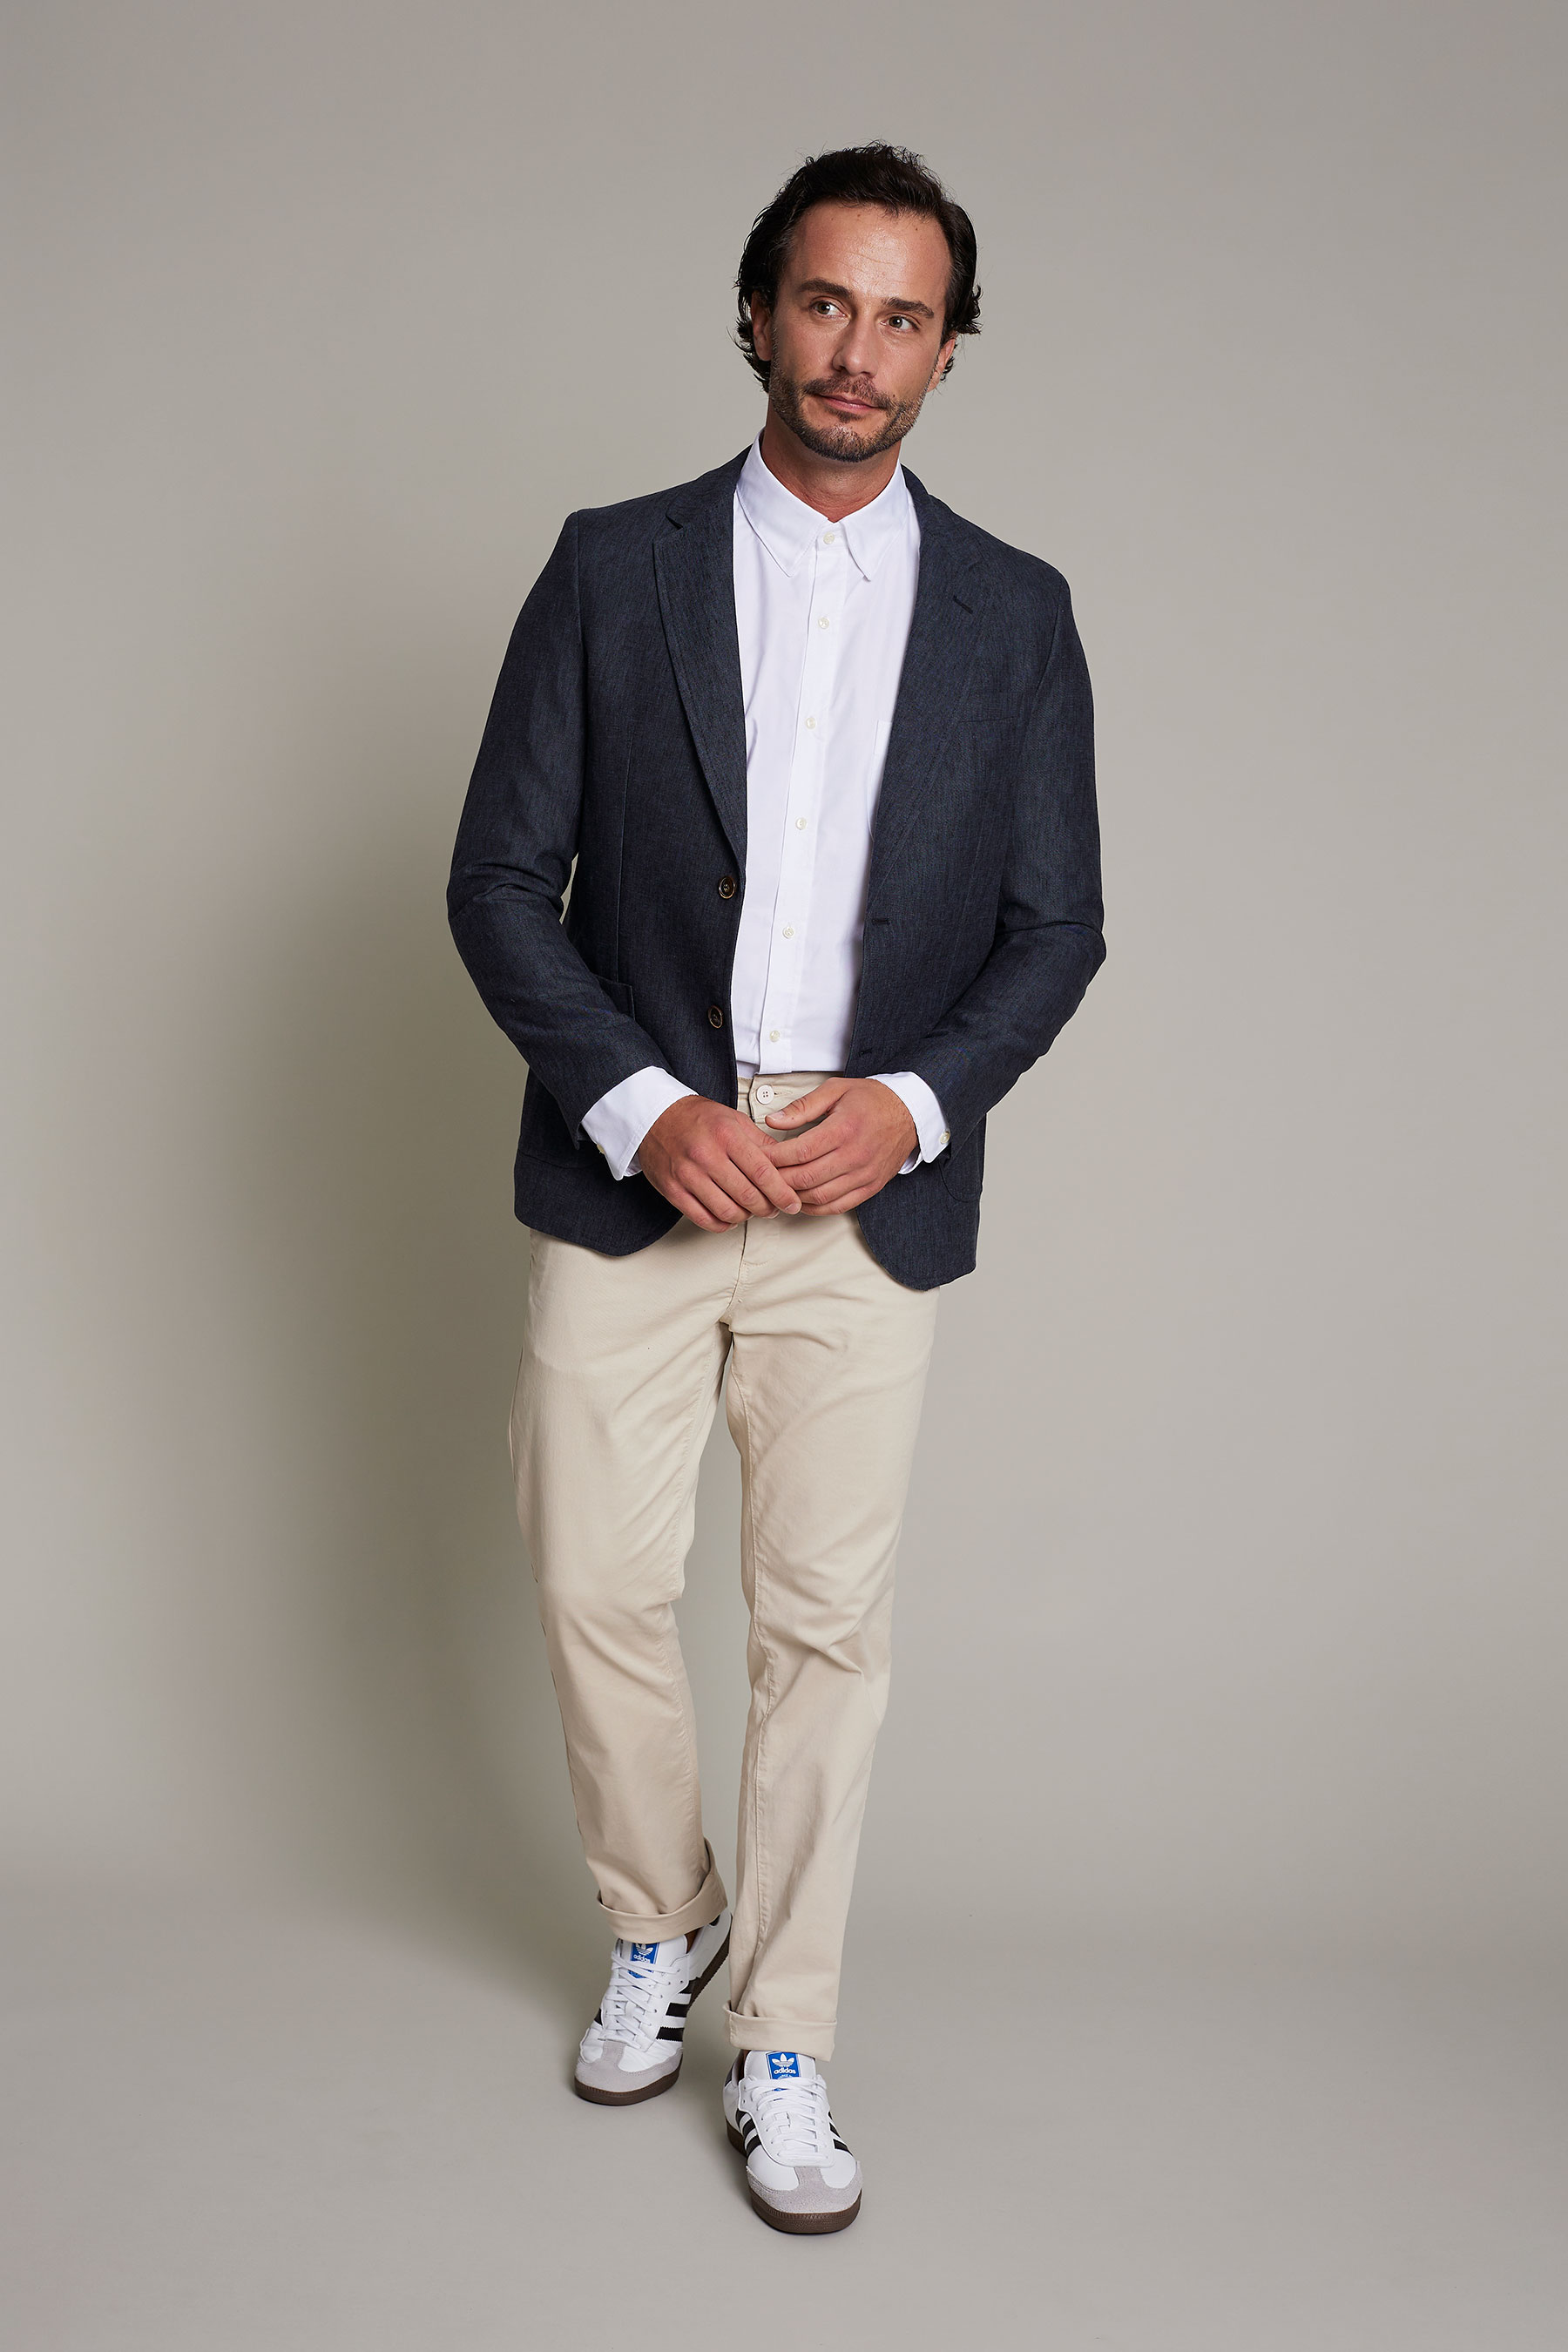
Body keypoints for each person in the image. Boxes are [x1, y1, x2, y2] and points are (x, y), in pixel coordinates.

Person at [448, 142, 1104, 2234]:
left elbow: (1057, 928)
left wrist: (912, 1104)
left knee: (825, 1630)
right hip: (643, 1158)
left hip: (860, 1184)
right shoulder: (609, 566)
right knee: (589, 1575)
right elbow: (498, 880)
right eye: (827, 302)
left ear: (947, 349)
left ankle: (787, 2035)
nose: (858, 350)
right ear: (758, 314)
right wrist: (643, 1105)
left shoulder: (1016, 613)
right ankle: (666, 1912)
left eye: (905, 316)